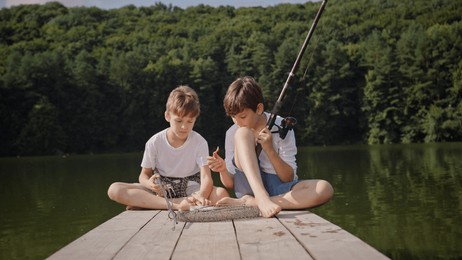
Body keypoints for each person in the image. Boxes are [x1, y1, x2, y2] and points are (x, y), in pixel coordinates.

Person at [207, 76, 334, 218]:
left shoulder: (281, 126)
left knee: (324, 189)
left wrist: (269, 149)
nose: (237, 122)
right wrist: (223, 169)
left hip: (278, 189)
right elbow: (230, 183)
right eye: (233, 117)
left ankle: (251, 203)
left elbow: (288, 178)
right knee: (242, 133)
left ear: (259, 108)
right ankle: (261, 198)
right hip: (248, 188)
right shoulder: (232, 133)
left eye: (242, 116)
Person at [108, 85, 229, 211]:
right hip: (161, 190)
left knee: (221, 195)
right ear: (167, 116)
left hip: (191, 190)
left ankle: (152, 204)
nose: (184, 127)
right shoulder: (154, 142)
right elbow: (143, 175)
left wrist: (201, 196)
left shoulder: (199, 142)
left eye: (190, 121)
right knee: (114, 189)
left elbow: (206, 178)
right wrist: (149, 183)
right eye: (179, 121)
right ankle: (175, 205)